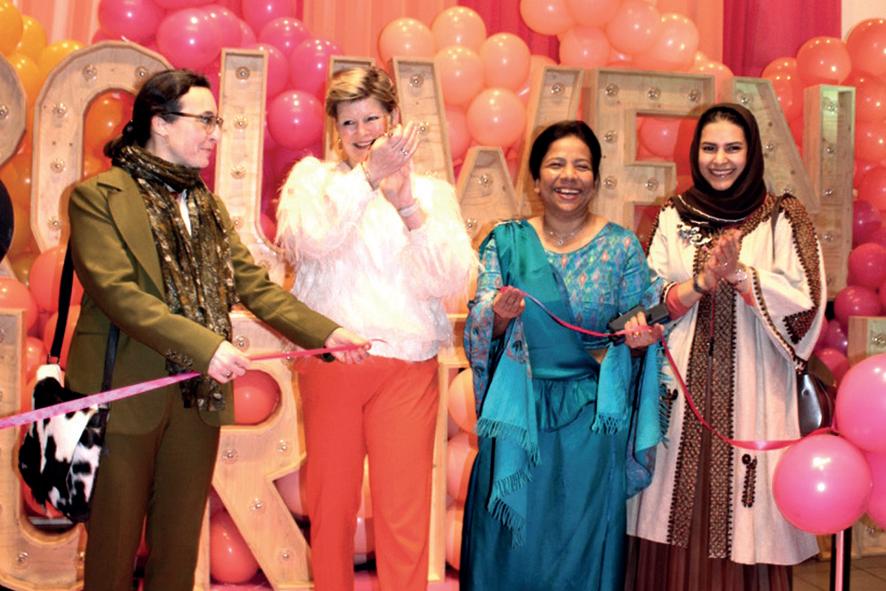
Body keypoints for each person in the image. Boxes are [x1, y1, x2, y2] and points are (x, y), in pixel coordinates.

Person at [66, 69, 368, 591]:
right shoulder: (98, 196)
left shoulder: (206, 205)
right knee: (112, 547)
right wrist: (206, 346)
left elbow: (254, 286)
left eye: (217, 121)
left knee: (179, 546)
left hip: (196, 400)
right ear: (160, 122)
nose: (215, 133)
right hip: (123, 393)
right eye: (205, 120)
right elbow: (119, 294)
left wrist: (325, 334)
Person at [275, 66, 475, 591]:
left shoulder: (431, 192)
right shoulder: (312, 181)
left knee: (403, 508)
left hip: (407, 366)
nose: (362, 133)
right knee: (331, 504)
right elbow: (310, 242)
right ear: (335, 129)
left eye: (371, 119)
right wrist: (366, 181)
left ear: (394, 118)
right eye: (349, 123)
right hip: (333, 361)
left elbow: (451, 279)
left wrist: (407, 205)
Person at [625, 103, 827, 590]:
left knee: (747, 520)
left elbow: (807, 309)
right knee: (670, 511)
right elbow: (645, 299)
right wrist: (699, 282)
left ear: (752, 152)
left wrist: (741, 276)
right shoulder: (673, 215)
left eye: (733, 148)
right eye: (709, 148)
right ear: (695, 153)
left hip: (757, 396)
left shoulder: (783, 217)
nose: (720, 160)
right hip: (679, 395)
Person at [458, 120, 664, 591]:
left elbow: (642, 320)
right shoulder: (505, 242)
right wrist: (500, 317)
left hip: (590, 424)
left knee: (579, 550)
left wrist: (640, 339)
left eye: (581, 166)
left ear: (595, 178)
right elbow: (479, 325)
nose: (569, 176)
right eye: (556, 164)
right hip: (517, 417)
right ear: (535, 178)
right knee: (510, 549)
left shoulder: (621, 247)